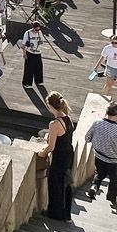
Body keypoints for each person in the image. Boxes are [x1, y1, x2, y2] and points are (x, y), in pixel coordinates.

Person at [85, 103, 117, 207]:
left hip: (98, 155)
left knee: (99, 174)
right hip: (113, 160)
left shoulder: (97, 123)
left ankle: (94, 187)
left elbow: (87, 138)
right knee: (115, 180)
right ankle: (111, 197)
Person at [39, 92, 74, 221]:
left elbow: (51, 147)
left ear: (50, 106)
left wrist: (41, 153)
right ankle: (66, 213)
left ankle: (55, 213)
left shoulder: (54, 124)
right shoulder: (68, 118)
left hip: (59, 157)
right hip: (69, 154)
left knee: (55, 184)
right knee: (66, 183)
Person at [96, 34, 117, 101]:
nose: (113, 44)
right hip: (110, 68)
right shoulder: (107, 48)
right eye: (112, 42)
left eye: (115, 43)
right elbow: (102, 58)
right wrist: (96, 67)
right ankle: (105, 99)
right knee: (108, 84)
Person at [18, 21, 45, 88]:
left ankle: (39, 81)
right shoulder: (27, 33)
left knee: (39, 67)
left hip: (38, 52)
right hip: (30, 52)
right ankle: (26, 83)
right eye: (36, 29)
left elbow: (42, 40)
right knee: (29, 68)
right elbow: (23, 44)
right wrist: (24, 53)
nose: (37, 31)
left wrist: (40, 42)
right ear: (33, 28)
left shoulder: (39, 32)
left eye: (38, 29)